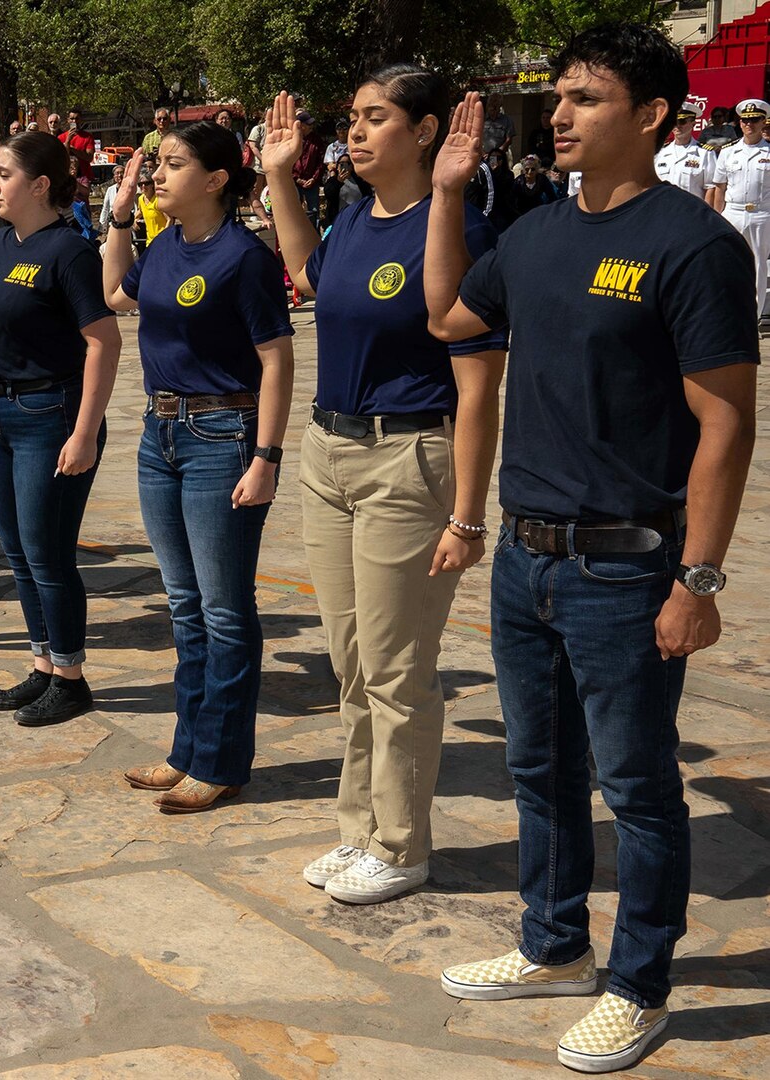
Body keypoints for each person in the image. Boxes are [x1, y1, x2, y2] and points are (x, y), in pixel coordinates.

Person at [424, 26, 757, 1073]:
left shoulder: (694, 245)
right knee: (539, 767)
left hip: (624, 564)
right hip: (525, 556)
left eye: (584, 98)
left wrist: (695, 577)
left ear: (652, 115)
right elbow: (445, 320)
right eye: (557, 97)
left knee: (638, 784)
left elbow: (726, 426)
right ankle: (552, 945)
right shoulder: (531, 236)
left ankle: (638, 983)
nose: (558, 114)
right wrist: (444, 193)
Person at [261, 66, 507, 905]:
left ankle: (401, 844)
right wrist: (277, 177)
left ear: (428, 131)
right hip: (329, 454)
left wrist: (468, 517)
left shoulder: (456, 227)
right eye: (353, 119)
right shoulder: (358, 216)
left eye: (376, 119)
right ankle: (358, 829)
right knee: (352, 661)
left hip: (409, 459)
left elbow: (479, 384)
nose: (356, 134)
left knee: (399, 668)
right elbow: (308, 279)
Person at [103, 125, 295, 814]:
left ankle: (220, 761)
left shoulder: (243, 257)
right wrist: (121, 216)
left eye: (174, 164)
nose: (158, 173)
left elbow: (277, 359)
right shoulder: (162, 245)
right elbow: (115, 294)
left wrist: (267, 457)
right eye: (157, 163)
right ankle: (187, 749)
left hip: (223, 434)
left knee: (223, 609)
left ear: (216, 179)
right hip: (160, 435)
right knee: (185, 606)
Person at [0, 131, 122, 726]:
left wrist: (86, 431)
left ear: (40, 185)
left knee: (48, 553)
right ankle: (44, 666)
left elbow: (103, 340)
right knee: (18, 551)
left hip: (50, 414)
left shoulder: (68, 250)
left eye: (1, 174)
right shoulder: (3, 242)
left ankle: (70, 677)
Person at [713, 97, 770, 331]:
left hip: (761, 214)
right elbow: (720, 187)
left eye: (755, 120)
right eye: (745, 120)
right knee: (726, 263)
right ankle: (725, 312)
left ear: (764, 121)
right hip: (732, 213)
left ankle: (752, 318)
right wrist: (715, 221)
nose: (749, 124)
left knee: (757, 265)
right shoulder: (728, 152)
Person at [654, 104, 718, 207]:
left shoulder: (705, 153)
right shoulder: (660, 153)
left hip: (691, 213)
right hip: (663, 210)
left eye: (682, 121)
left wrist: (705, 217)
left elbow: (710, 188)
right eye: (674, 122)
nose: (677, 126)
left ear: (693, 123)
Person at [291, 110, 325, 227]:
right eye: (308, 124)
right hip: (295, 182)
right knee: (294, 210)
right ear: (301, 125)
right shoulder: (292, 139)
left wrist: (314, 179)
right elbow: (289, 163)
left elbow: (321, 162)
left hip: (312, 182)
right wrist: (297, 178)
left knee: (314, 211)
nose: (311, 126)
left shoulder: (317, 140)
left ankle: (315, 236)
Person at [321, 154, 370, 226]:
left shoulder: (360, 181)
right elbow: (329, 195)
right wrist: (339, 182)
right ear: (337, 167)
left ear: (351, 166)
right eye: (341, 164)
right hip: (338, 220)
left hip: (357, 219)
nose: (344, 166)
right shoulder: (332, 181)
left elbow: (368, 196)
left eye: (347, 163)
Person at [135, 170, 168, 245]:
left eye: (146, 183)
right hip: (149, 241)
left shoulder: (158, 200)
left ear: (152, 184)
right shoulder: (141, 199)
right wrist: (134, 220)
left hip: (162, 241)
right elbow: (140, 211)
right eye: (140, 184)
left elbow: (170, 220)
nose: (143, 186)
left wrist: (164, 237)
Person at [97, 164, 126, 234]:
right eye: (117, 173)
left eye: (122, 173)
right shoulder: (110, 190)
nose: (119, 175)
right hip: (112, 224)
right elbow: (105, 208)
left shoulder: (130, 189)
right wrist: (102, 225)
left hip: (127, 224)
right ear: (114, 176)